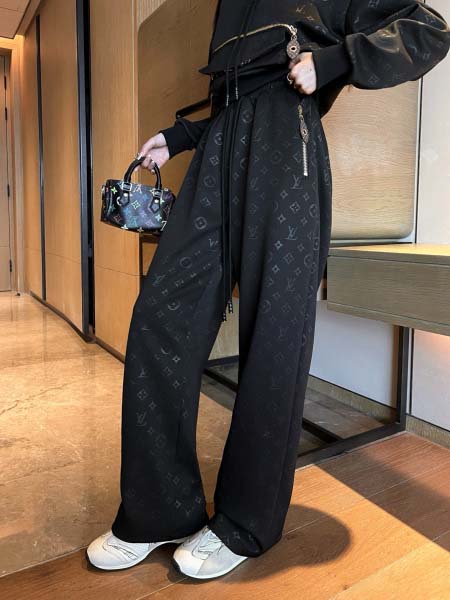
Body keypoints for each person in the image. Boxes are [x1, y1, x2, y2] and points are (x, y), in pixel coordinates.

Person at [87, 0, 450, 580]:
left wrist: (333, 62)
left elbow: (428, 30)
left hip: (288, 144)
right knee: (160, 319)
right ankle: (158, 512)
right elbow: (239, 89)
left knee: (274, 336)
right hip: (217, 150)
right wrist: (181, 136)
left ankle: (245, 521)